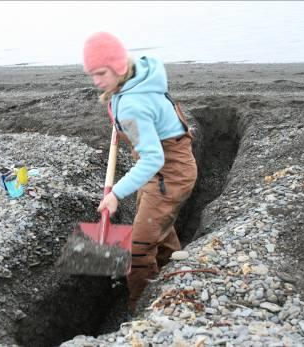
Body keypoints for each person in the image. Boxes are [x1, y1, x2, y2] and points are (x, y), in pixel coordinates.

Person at [82, 31, 198, 312]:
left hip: (167, 176)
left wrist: (116, 194)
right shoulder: (142, 75)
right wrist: (116, 112)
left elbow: (152, 159)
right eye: (91, 74)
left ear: (119, 67)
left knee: (138, 246)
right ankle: (175, 272)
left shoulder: (133, 104)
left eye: (100, 73)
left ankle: (142, 309)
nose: (96, 82)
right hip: (164, 172)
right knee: (159, 225)